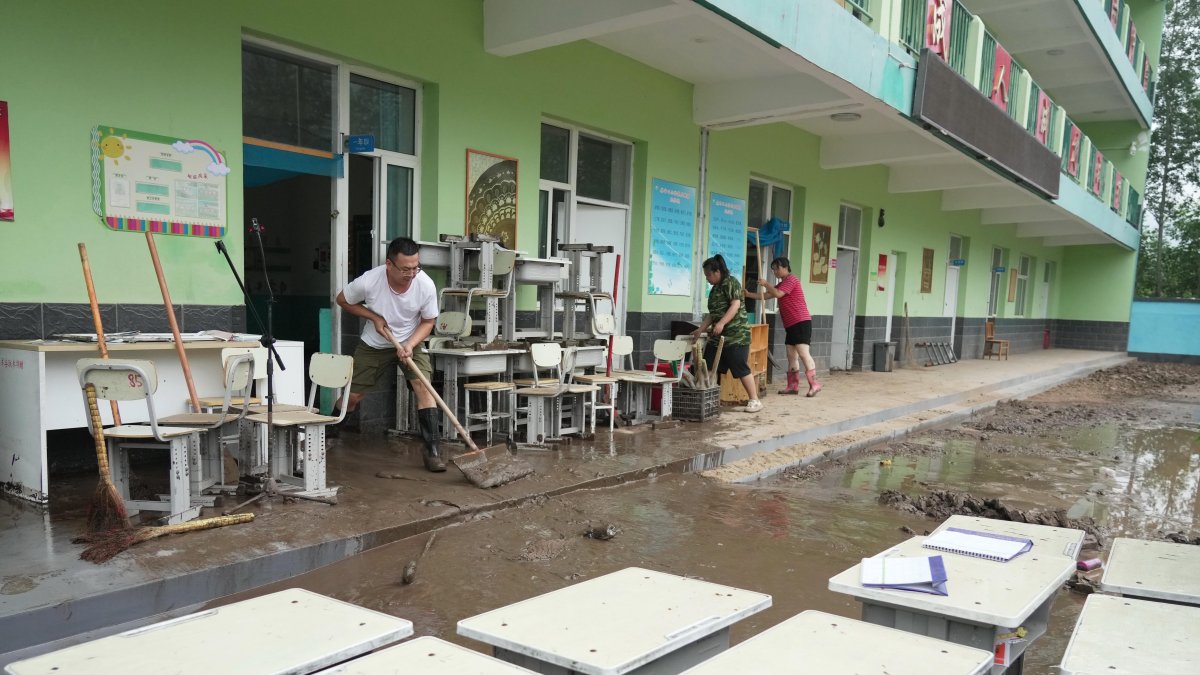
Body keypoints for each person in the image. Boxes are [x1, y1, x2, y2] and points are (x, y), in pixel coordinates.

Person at [336, 237, 445, 472]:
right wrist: (374, 317)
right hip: (375, 343)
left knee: (423, 386)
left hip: (411, 341)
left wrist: (410, 344)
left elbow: (428, 321)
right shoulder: (369, 281)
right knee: (353, 397)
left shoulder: (424, 285)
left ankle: (432, 451)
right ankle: (330, 432)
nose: (412, 273)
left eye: (416, 267)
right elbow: (342, 300)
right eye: (406, 269)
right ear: (389, 264)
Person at [692, 254, 762, 413]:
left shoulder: (731, 283)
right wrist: (701, 329)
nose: (707, 279)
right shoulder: (715, 289)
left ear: (717, 272)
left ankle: (754, 400)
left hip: (736, 335)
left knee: (740, 367)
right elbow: (713, 314)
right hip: (718, 336)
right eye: (706, 276)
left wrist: (722, 323)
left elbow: (735, 304)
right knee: (708, 365)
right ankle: (710, 400)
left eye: (709, 275)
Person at [745, 257, 821, 397]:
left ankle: (814, 384)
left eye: (776, 268)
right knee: (791, 355)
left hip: (801, 322)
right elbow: (767, 295)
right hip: (791, 325)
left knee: (803, 353)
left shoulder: (792, 280)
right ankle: (793, 386)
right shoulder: (782, 284)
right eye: (773, 269)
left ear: (785, 267)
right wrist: (749, 295)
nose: (775, 271)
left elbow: (777, 294)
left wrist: (766, 283)